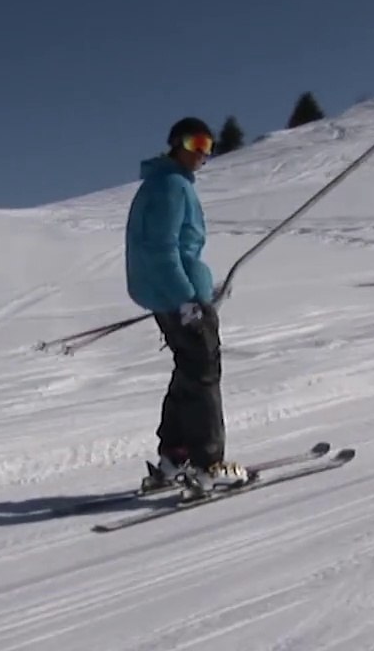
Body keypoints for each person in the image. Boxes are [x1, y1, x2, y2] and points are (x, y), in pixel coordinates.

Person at [124, 116, 249, 498]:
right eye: (196, 144)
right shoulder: (172, 186)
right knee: (204, 374)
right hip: (178, 298)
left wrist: (201, 287)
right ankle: (208, 463)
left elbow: (178, 251)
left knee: (188, 372)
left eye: (208, 147)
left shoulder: (160, 183)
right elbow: (162, 249)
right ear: (177, 143)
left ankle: (175, 456)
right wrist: (187, 299)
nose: (202, 155)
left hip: (170, 294)